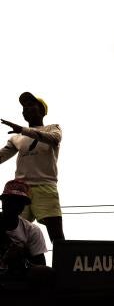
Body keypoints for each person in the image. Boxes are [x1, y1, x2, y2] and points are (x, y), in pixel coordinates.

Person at [0, 92, 64, 242]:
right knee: (12, 235)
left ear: (42, 111)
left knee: (57, 235)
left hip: (45, 187)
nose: (26, 109)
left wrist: (24, 130)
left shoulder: (52, 128)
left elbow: (55, 139)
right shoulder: (16, 138)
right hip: (20, 191)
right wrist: (22, 131)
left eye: (30, 105)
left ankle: (63, 264)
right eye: (24, 107)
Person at [0, 179, 47, 278]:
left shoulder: (32, 231)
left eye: (19, 202)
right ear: (3, 201)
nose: (14, 205)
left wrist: (22, 259)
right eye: (10, 200)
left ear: (23, 206)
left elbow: (41, 267)